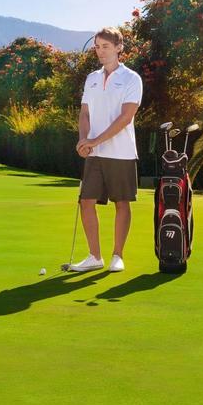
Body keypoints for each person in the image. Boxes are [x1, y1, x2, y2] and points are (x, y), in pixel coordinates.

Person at [68, 27, 143, 273]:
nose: (100, 51)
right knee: (86, 202)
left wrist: (94, 140)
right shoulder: (91, 78)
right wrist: (83, 140)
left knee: (121, 202)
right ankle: (94, 256)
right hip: (95, 153)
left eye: (105, 47)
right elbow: (85, 113)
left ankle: (117, 256)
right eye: (97, 47)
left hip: (121, 152)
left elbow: (126, 117)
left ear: (119, 48)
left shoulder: (132, 78)